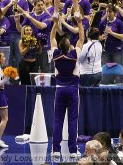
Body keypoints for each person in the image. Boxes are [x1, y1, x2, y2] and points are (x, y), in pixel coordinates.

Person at [50, 14, 84, 159]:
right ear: (68, 46)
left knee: (57, 120)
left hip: (59, 90)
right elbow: (81, 38)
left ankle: (56, 150)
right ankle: (72, 151)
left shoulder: (56, 54)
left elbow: (52, 38)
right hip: (72, 90)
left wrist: (55, 23)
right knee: (72, 120)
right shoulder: (74, 54)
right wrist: (80, 23)